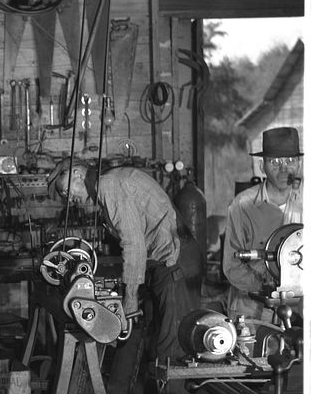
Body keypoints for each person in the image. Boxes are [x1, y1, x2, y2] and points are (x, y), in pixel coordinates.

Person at [49, 159, 197, 363]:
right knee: (156, 343)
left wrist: (130, 297)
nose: (67, 199)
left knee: (173, 349)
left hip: (175, 262)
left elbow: (133, 243)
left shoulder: (108, 185)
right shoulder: (106, 185)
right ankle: (156, 392)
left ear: (77, 173)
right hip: (162, 262)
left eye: (65, 192)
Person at [222, 126, 304, 321]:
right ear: (262, 166)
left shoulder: (309, 202)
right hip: (252, 311)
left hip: (300, 310)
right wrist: (267, 287)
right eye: (274, 162)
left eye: (290, 161)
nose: (284, 168)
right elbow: (232, 265)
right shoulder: (243, 206)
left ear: (299, 164)